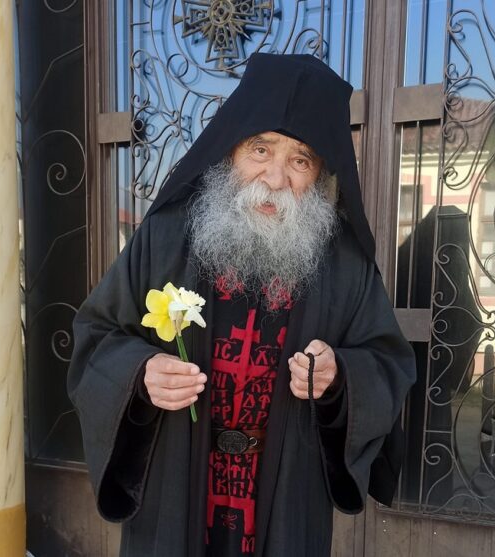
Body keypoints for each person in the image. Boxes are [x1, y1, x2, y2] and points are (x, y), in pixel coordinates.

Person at [67, 54, 416, 557]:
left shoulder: (345, 265)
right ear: (230, 149)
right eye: (260, 149)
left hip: (287, 496)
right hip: (175, 491)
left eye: (300, 160)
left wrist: (340, 376)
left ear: (320, 173)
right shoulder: (165, 237)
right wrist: (141, 373)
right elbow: (97, 336)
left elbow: (387, 364)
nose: (275, 178)